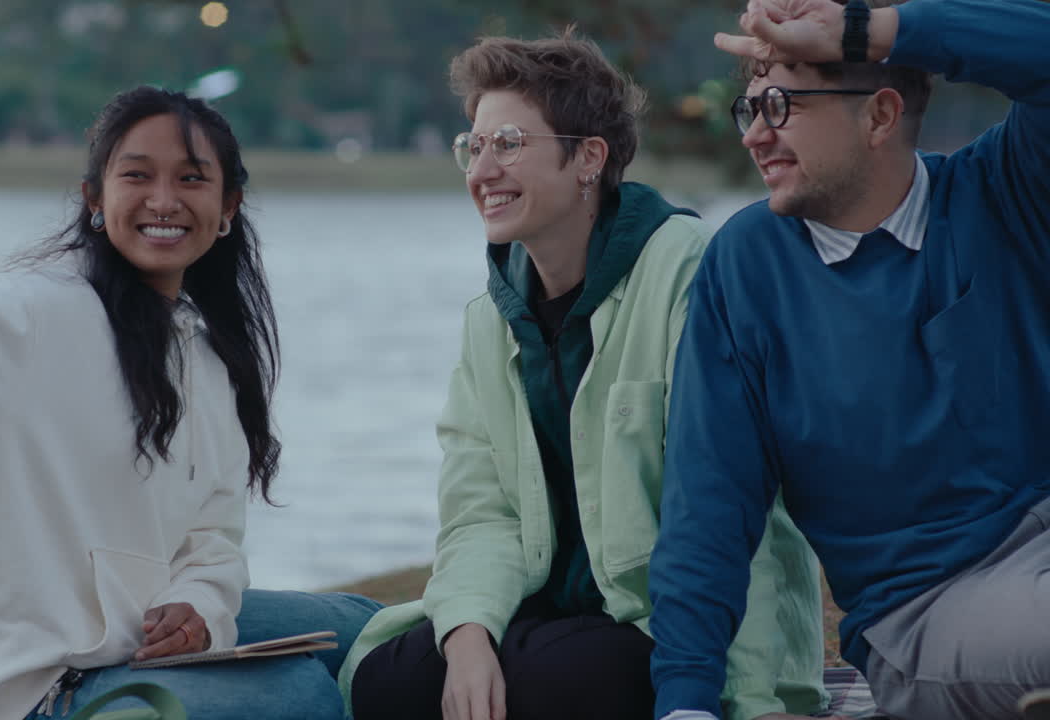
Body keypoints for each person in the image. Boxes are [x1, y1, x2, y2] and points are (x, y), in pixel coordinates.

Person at [0, 86, 379, 720]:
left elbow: (213, 533)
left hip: (138, 639)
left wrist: (199, 604)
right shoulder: (26, 315)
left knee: (370, 630)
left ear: (227, 207)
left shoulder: (203, 351)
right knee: (298, 694)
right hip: (40, 687)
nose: (164, 201)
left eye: (191, 179)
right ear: (95, 199)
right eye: (137, 176)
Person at [339, 30, 826, 720]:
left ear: (589, 159)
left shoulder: (686, 273)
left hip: (670, 628)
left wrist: (752, 702)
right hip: (547, 613)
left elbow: (726, 509)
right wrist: (471, 634)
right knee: (390, 681)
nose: (483, 170)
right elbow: (480, 510)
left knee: (562, 685)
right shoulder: (491, 317)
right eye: (472, 148)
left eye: (508, 144)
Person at [646, 1, 1050, 719]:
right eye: (749, 107)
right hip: (929, 607)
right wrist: (686, 701)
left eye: (781, 104)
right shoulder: (747, 269)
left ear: (880, 116)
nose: (755, 135)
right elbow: (707, 504)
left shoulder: (1003, 192)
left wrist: (869, 29)